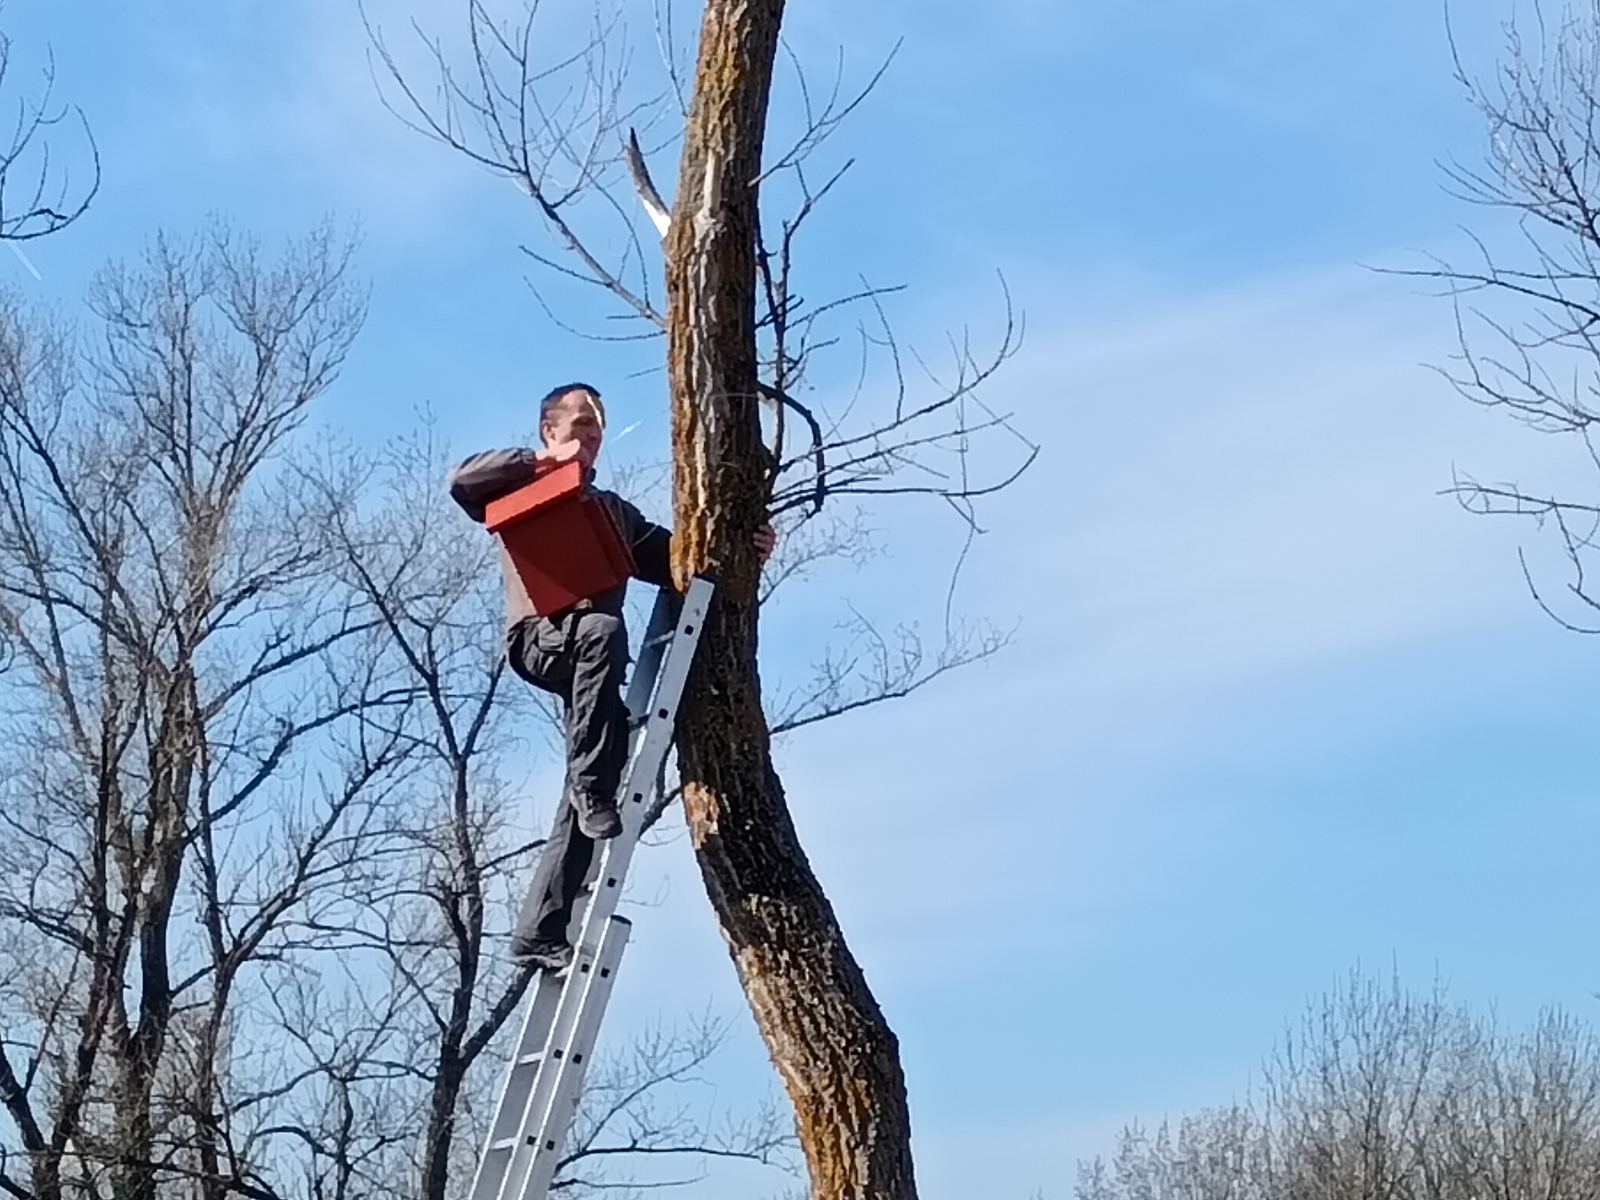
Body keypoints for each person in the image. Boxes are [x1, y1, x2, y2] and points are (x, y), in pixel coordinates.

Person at [448, 382, 775, 971]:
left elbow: (680, 562)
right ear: (549, 430)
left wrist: (747, 547)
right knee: (601, 635)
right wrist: (541, 463)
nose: (589, 439)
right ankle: (591, 786)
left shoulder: (614, 513)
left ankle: (539, 930)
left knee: (605, 751)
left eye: (596, 431)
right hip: (541, 638)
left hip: (596, 658)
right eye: (577, 426)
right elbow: (461, 481)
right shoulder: (523, 478)